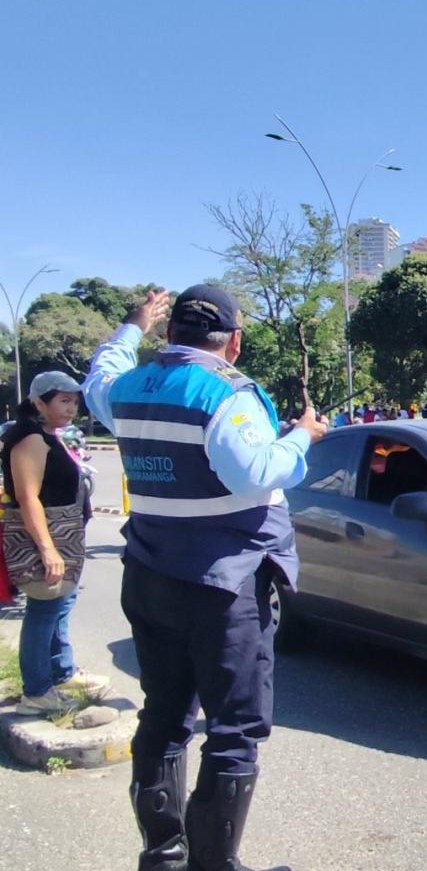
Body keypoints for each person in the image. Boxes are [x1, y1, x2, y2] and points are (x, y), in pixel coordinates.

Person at [82, 286, 327, 871]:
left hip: (148, 575)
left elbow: (100, 376)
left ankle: (164, 856)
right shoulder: (226, 393)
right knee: (234, 731)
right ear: (233, 343)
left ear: (168, 335)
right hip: (223, 586)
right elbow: (256, 472)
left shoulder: (128, 388)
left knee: (164, 715)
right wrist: (302, 436)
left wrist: (130, 326)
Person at [1, 371, 109, 715]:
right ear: (38, 403)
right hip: (46, 539)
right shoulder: (30, 439)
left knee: (60, 605)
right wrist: (47, 550)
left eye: (74, 401)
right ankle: (36, 691)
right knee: (44, 610)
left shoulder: (48, 434)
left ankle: (60, 672)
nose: (71, 407)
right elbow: (28, 497)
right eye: (63, 400)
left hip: (65, 537)